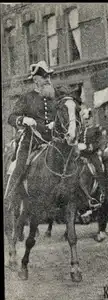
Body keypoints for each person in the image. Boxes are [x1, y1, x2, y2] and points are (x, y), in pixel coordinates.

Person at [4, 61, 57, 205]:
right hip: (31, 142)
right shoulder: (27, 98)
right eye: (44, 76)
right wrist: (24, 119)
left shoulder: (54, 98)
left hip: (52, 142)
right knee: (19, 167)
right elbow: (11, 118)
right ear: (36, 79)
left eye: (49, 76)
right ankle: (8, 198)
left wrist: (56, 124)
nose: (48, 79)